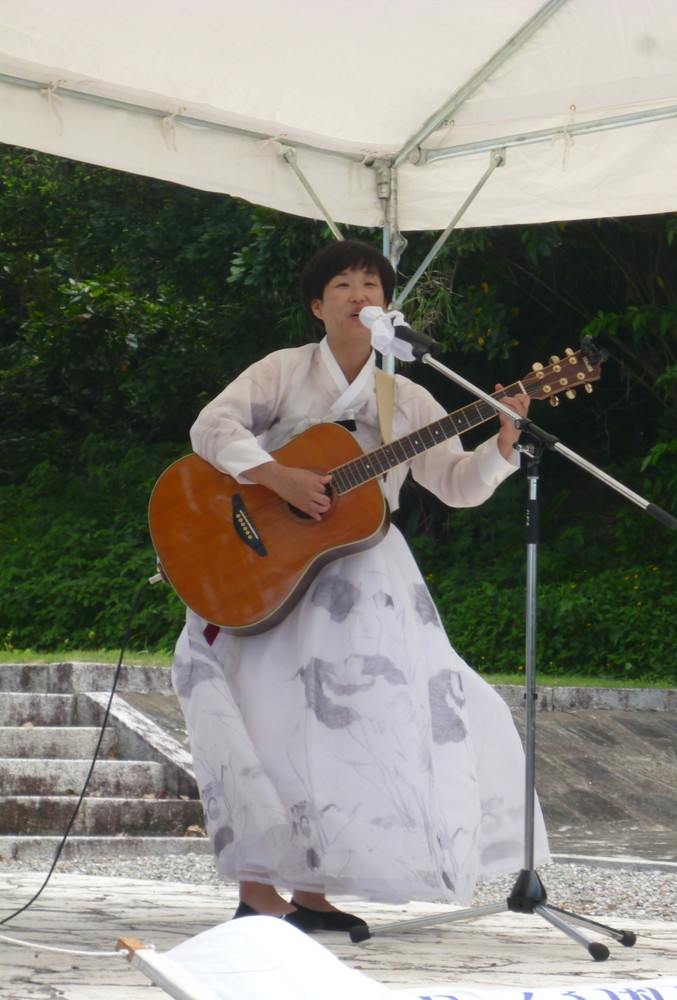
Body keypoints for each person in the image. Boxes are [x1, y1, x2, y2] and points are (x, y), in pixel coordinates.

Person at [171, 239, 549, 934]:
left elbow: (455, 484)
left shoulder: (408, 395)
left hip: (366, 581)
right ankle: (258, 892)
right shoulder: (283, 370)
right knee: (268, 722)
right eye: (342, 285)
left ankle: (315, 892)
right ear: (318, 306)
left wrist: (500, 445)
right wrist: (278, 476)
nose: (358, 295)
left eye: (370, 285)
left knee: (363, 729)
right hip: (271, 572)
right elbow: (210, 427)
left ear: (388, 306)